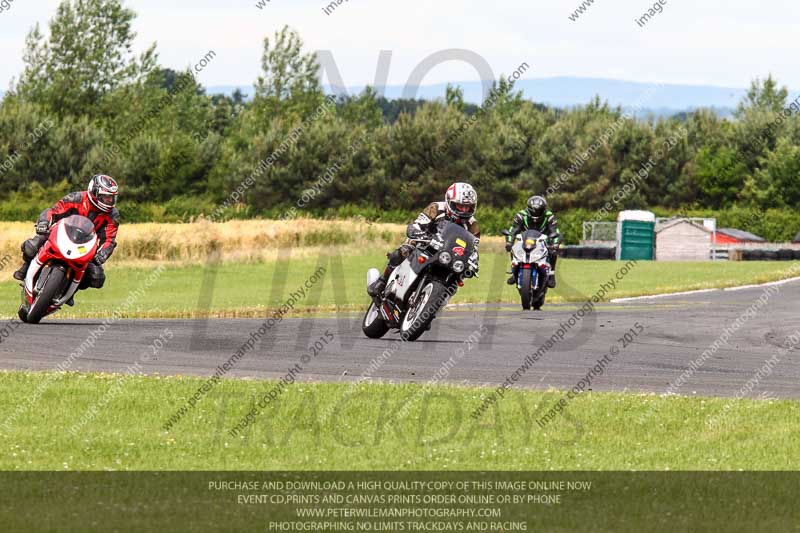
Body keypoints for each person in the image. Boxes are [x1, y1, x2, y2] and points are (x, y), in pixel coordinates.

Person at [13, 175, 120, 304]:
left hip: (85, 247)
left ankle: (70, 291)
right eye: (106, 196)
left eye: (112, 197)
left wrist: (102, 254)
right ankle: (26, 268)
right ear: (94, 192)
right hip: (60, 235)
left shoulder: (113, 215)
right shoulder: (76, 198)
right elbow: (53, 211)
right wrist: (43, 222)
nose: (109, 201)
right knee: (32, 246)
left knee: (97, 277)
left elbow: (109, 239)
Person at [368, 182, 480, 297]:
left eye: (468, 207)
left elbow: (474, 248)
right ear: (450, 201)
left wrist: (474, 262)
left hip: (448, 255)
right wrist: (417, 232)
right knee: (404, 251)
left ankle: (434, 306)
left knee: (456, 280)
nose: (464, 210)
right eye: (460, 206)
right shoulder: (436, 208)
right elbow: (417, 224)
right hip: (426, 240)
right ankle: (382, 281)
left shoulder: (472, 224)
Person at [505, 195, 561, 288]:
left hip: (544, 240)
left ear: (544, 209)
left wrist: (555, 244)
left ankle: (551, 275)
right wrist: (509, 242)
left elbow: (556, 231)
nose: (536, 213)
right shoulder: (521, 215)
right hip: (525, 240)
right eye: (534, 211)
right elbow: (513, 230)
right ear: (528, 208)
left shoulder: (549, 216)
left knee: (553, 252)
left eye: (539, 211)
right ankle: (514, 272)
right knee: (514, 248)